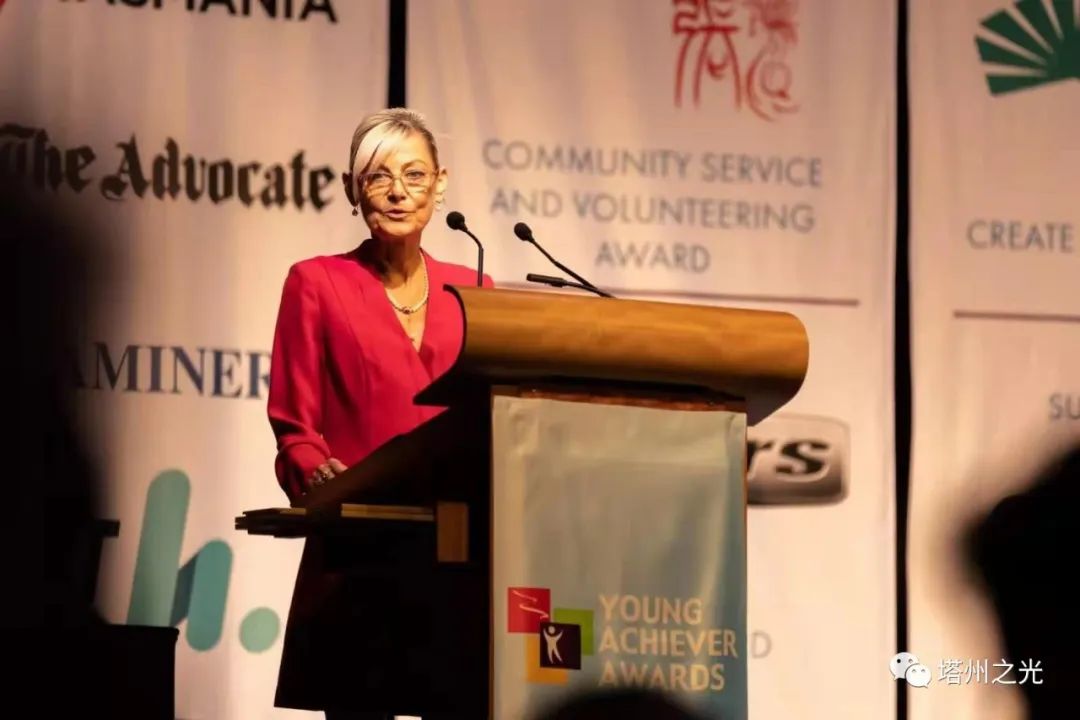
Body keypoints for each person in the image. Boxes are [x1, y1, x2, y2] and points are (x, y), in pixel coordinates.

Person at [266, 108, 493, 720]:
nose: (397, 191)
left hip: (454, 551)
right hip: (360, 548)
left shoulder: (475, 291)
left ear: (440, 185)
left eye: (414, 175)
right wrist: (317, 472)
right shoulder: (317, 282)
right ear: (351, 188)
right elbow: (294, 425)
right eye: (378, 176)